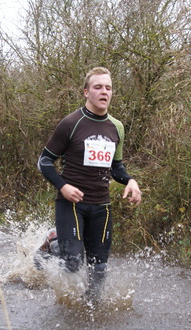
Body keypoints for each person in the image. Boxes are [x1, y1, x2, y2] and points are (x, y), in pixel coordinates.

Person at [37, 67, 142, 304]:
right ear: (86, 92)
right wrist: (62, 186)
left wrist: (131, 181)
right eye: (98, 87)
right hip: (71, 203)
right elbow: (44, 161)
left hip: (101, 206)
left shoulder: (117, 127)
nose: (104, 92)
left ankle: (90, 306)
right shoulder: (71, 123)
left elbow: (116, 168)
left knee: (99, 268)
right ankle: (53, 243)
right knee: (73, 264)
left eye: (108, 87)